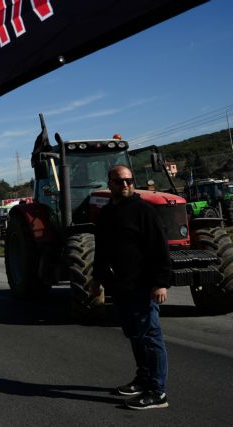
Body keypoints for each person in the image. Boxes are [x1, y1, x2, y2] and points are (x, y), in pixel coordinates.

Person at [90, 165, 171, 410]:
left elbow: (159, 249)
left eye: (129, 181)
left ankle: (157, 391)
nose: (125, 185)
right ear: (110, 184)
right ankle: (142, 378)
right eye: (119, 181)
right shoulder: (106, 215)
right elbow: (102, 251)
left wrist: (160, 283)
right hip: (121, 286)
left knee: (150, 336)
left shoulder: (144, 211)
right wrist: (97, 279)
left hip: (143, 285)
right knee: (135, 335)